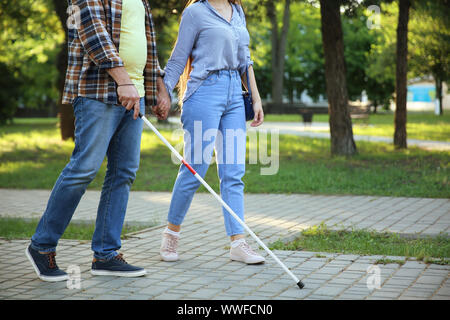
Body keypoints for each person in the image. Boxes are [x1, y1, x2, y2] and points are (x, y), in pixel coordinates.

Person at [26, 0, 171, 282]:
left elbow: (147, 46)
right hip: (98, 92)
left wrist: (159, 88)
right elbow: (92, 33)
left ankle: (106, 255)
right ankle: (42, 246)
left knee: (124, 173)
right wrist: (123, 81)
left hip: (134, 95)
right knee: (84, 169)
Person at [160, 0, 265, 264]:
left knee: (233, 171)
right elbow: (177, 60)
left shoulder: (237, 10)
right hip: (204, 93)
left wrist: (256, 97)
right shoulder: (195, 12)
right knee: (195, 168)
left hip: (234, 95)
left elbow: (245, 60)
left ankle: (238, 243)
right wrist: (161, 94)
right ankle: (171, 234)